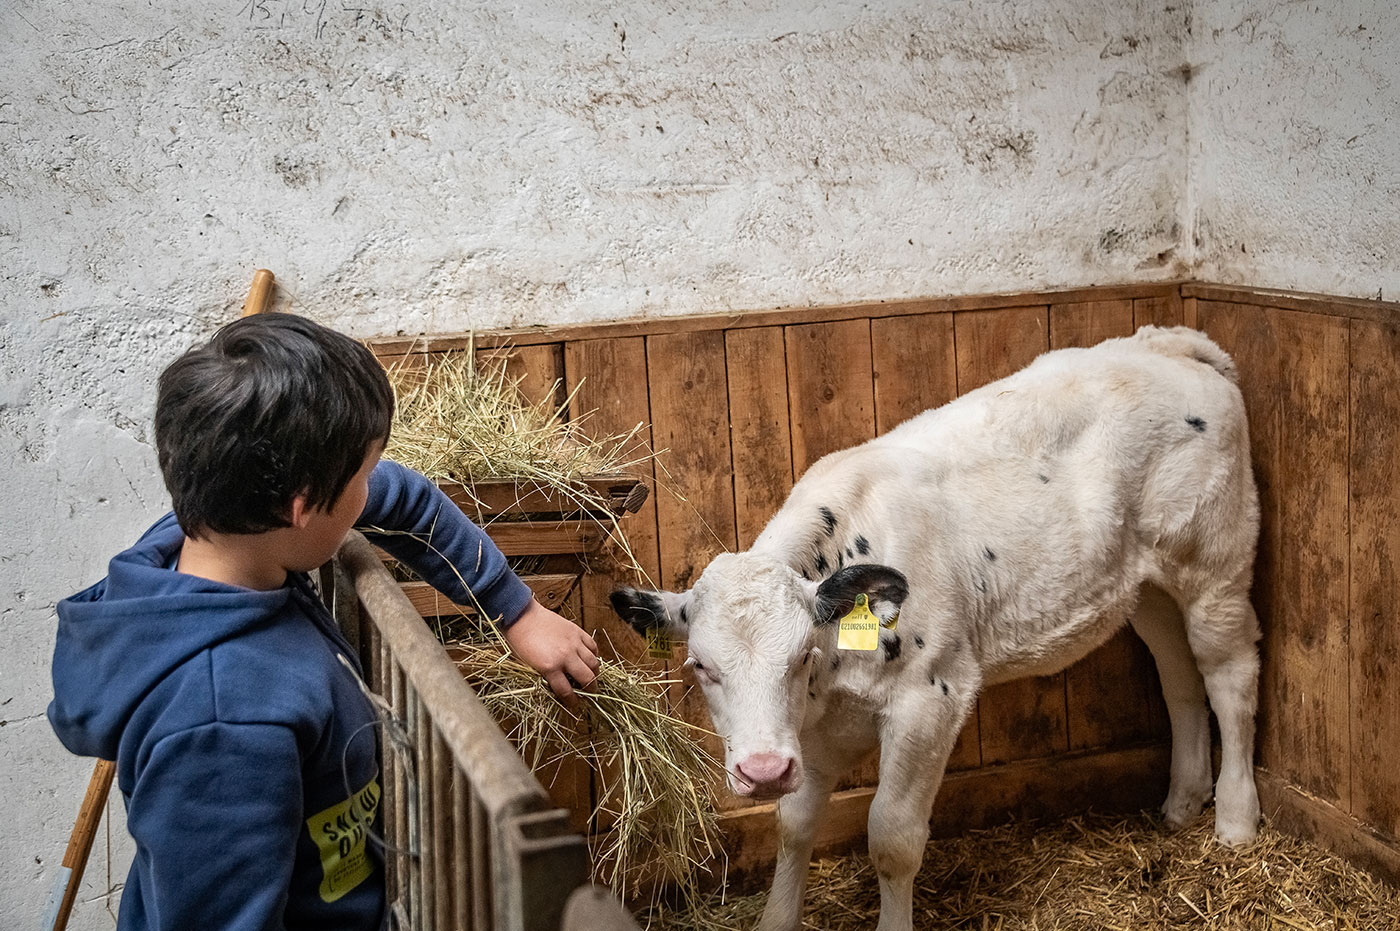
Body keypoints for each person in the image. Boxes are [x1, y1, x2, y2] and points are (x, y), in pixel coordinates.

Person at [47, 313, 600, 930]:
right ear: (303, 507)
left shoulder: (215, 534)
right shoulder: (221, 723)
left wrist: (517, 612)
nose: (373, 489)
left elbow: (406, 500)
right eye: (361, 476)